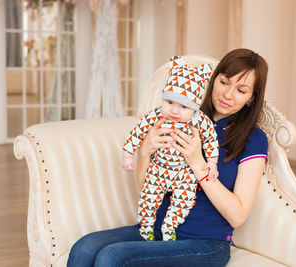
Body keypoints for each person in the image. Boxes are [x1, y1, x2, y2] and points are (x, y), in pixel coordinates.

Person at [67, 48, 269, 267]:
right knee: (84, 247)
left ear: (251, 98)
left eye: (241, 90)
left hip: (205, 243)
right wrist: (145, 151)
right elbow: (148, 185)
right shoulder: (181, 116)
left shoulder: (254, 140)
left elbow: (237, 216)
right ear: (213, 81)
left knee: (112, 258)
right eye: (224, 82)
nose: (228, 94)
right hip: (157, 228)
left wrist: (197, 162)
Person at [122, 56, 219, 242]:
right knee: (148, 200)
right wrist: (128, 154)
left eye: (183, 106)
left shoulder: (199, 120)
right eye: (170, 103)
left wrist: (212, 163)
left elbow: (211, 140)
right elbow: (137, 131)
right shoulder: (157, 114)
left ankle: (170, 226)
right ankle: (147, 227)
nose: (174, 111)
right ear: (163, 99)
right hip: (158, 168)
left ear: (194, 109)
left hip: (184, 172)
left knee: (185, 199)